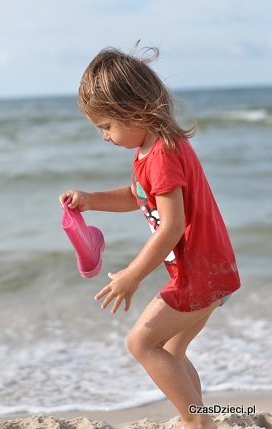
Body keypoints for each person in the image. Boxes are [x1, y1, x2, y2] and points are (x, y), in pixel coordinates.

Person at [59, 45, 240, 429]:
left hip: (199, 273)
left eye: (107, 126)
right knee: (172, 351)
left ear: (136, 112)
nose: (105, 137)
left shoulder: (161, 155)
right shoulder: (153, 148)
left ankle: (196, 423)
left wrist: (132, 275)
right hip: (212, 270)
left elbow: (173, 225)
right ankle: (201, 419)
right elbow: (137, 196)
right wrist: (90, 199)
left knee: (141, 344)